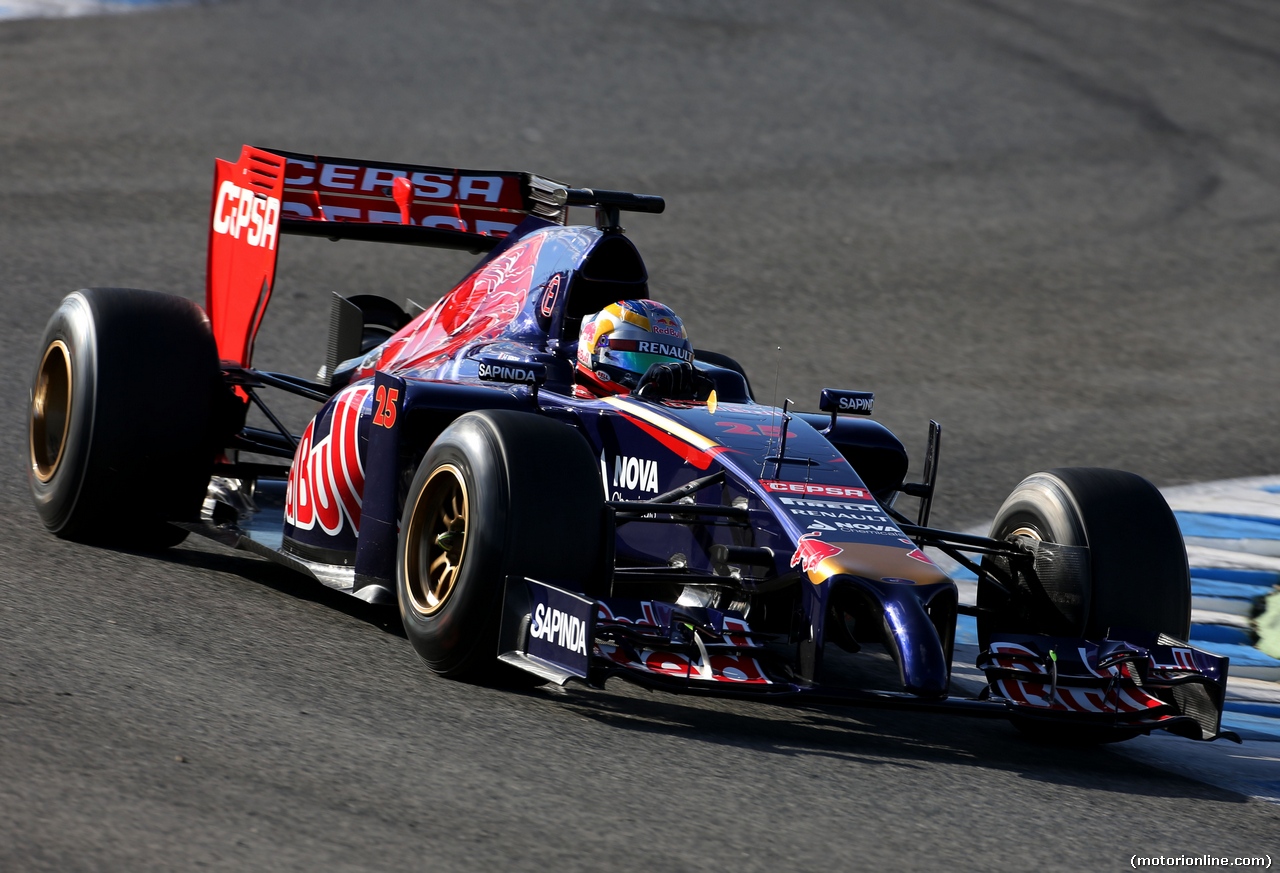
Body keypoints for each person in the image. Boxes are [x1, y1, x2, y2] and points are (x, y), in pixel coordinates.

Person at [574, 299, 708, 400]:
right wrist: (636, 401)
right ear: (597, 348)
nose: (659, 377)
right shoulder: (573, 399)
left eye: (669, 360)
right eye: (640, 360)